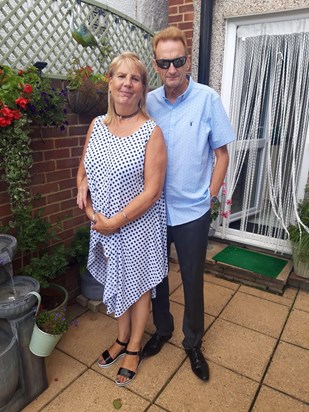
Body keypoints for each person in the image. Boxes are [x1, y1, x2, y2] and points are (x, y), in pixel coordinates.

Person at [142, 26, 236, 382]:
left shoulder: (207, 98)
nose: (171, 69)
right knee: (156, 277)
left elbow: (222, 154)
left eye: (177, 61)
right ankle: (162, 329)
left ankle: (192, 341)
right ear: (156, 64)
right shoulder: (148, 101)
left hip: (192, 212)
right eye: (164, 63)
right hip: (152, 209)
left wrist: (209, 194)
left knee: (193, 279)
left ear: (187, 60)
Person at [76, 52, 168, 387]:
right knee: (115, 278)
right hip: (103, 223)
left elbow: (153, 190)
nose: (127, 84)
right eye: (121, 77)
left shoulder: (151, 131)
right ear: (110, 82)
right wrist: (86, 203)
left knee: (139, 286)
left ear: (143, 89)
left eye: (135, 79)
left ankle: (133, 346)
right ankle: (120, 336)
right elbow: (83, 171)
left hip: (138, 224)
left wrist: (116, 222)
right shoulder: (97, 126)